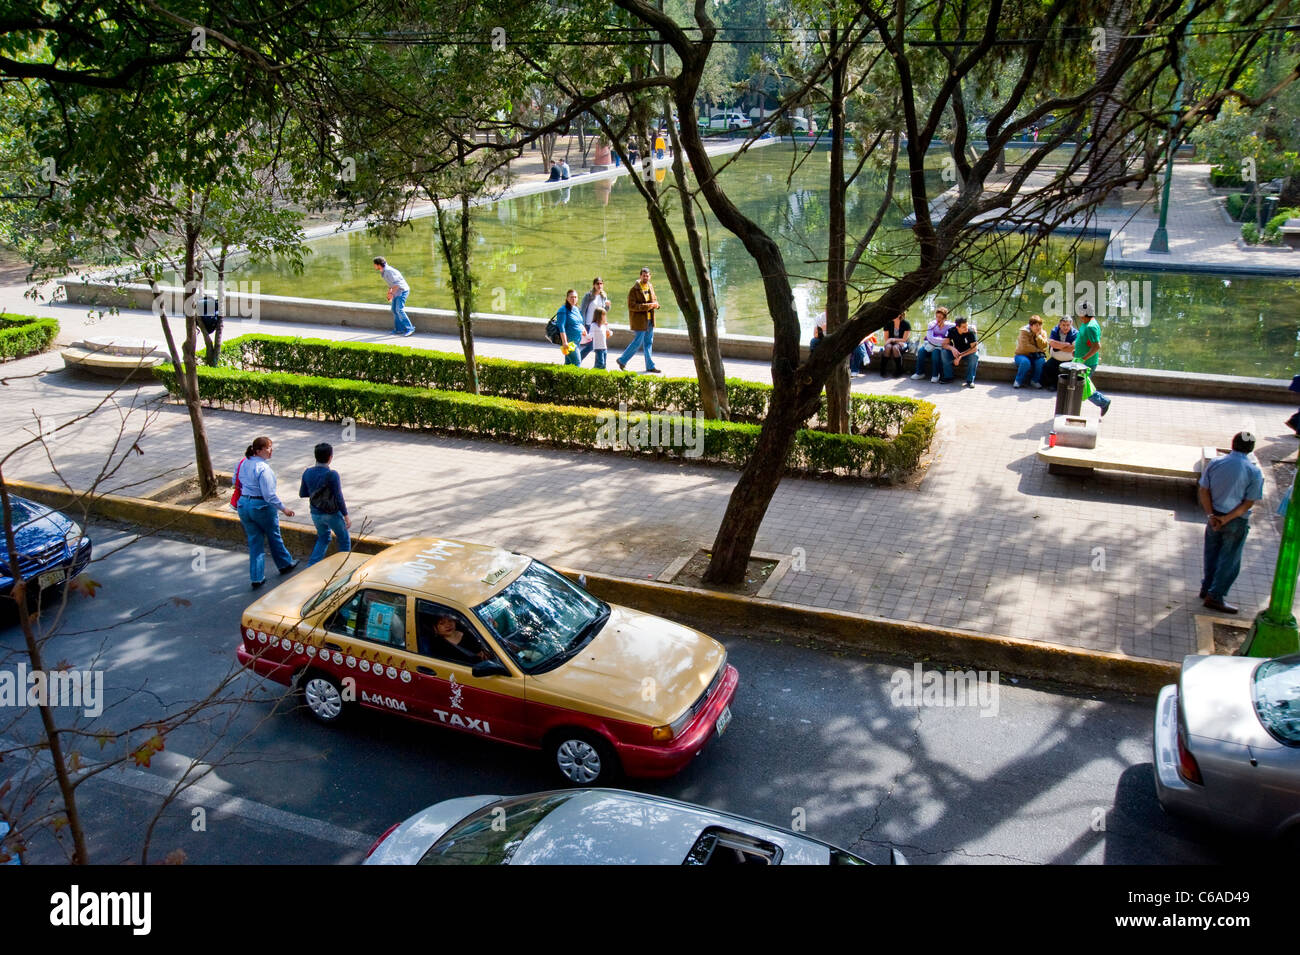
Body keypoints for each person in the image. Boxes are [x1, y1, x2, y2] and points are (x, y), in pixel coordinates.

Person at [1198, 432, 1264, 614]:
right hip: (1234, 521)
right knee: (1229, 560)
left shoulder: (1216, 463)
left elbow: (1204, 490)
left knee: (1211, 554)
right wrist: (1225, 519)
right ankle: (1216, 596)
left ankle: (1206, 588)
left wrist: (1212, 516)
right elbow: (1248, 503)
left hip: (1214, 517)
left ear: (1232, 444)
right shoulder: (1253, 471)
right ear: (1251, 449)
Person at [235, 436, 296, 589]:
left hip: (243, 505)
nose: (271, 450)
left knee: (254, 540)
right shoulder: (263, 468)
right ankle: (285, 563)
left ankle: (256, 577)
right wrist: (284, 508)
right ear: (258, 450)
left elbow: (235, 481)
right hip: (260, 506)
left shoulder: (243, 463)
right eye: (268, 448)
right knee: (274, 536)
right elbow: (269, 495)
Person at [299, 442, 351, 567]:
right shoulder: (332, 474)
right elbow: (338, 497)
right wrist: (346, 515)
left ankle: (311, 567)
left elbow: (302, 493)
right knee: (344, 539)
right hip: (332, 513)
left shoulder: (307, 472)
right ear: (330, 457)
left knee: (323, 538)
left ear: (315, 456)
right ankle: (342, 567)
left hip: (315, 513)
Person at [618, 267, 662, 373]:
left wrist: (656, 305)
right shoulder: (634, 289)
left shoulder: (650, 286)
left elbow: (654, 299)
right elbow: (631, 306)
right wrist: (648, 306)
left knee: (648, 343)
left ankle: (650, 366)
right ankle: (622, 360)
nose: (645, 277)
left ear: (650, 276)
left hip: (650, 320)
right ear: (640, 276)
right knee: (637, 342)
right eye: (644, 275)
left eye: (647, 276)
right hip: (639, 321)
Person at [1073, 302, 1112, 416]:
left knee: (1082, 388)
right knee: (1079, 386)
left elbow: (1097, 346)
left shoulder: (1091, 327)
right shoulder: (1087, 323)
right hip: (1080, 360)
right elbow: (1086, 342)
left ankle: (1103, 402)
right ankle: (1074, 409)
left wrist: (1083, 358)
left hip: (1087, 363)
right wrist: (1077, 351)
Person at [373, 257, 414, 337]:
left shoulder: (388, 271)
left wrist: (391, 294)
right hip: (396, 291)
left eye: (374, 264)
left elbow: (397, 285)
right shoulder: (384, 271)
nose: (374, 266)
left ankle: (410, 328)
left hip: (402, 291)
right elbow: (391, 284)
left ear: (378, 265)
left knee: (399, 309)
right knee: (394, 310)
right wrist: (389, 293)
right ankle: (399, 329)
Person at [911, 306, 951, 382]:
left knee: (935, 354)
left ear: (945, 318)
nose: (938, 319)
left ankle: (935, 375)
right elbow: (930, 338)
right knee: (921, 351)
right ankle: (920, 373)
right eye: (937, 317)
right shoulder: (931, 324)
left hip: (939, 347)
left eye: (940, 317)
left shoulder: (949, 325)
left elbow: (960, 325)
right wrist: (943, 340)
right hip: (929, 344)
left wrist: (973, 327)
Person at [578, 277, 611, 362]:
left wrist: (607, 306)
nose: (599, 285)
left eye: (601, 284)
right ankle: (577, 360)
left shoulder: (603, 295)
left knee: (599, 345)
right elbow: (582, 310)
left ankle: (598, 366)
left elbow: (604, 311)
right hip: (590, 323)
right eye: (597, 284)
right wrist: (583, 324)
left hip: (600, 324)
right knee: (591, 346)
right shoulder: (588, 296)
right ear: (594, 285)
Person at [1041, 316, 1077, 391]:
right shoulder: (1055, 331)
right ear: (1059, 325)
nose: (1065, 327)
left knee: (1065, 372)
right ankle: (1052, 385)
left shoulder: (1075, 333)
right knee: (1047, 367)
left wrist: (1058, 346)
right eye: (1063, 325)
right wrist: (1066, 344)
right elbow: (1052, 344)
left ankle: (1061, 387)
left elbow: (1072, 348)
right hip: (1055, 358)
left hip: (1069, 360)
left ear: (1071, 325)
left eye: (1067, 325)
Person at [1012, 315, 1049, 389]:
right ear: (1031, 326)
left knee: (1041, 361)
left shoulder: (1043, 333)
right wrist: (1037, 350)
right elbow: (1025, 346)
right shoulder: (1024, 332)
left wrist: (1038, 337)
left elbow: (1044, 346)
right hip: (1021, 355)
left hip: (1035, 356)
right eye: (1036, 325)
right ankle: (1018, 381)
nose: (1038, 327)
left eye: (1040, 325)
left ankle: (1035, 381)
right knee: (1025, 362)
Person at [941, 316, 979, 387]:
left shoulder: (971, 332)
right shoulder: (951, 331)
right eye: (964, 327)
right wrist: (952, 348)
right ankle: (948, 377)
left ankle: (970, 381)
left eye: (967, 325)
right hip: (956, 352)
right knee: (944, 352)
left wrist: (960, 356)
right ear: (957, 327)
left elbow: (974, 349)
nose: (966, 328)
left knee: (975, 356)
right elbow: (944, 344)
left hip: (968, 353)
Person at [554, 289, 585, 367]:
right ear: (567, 298)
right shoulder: (563, 310)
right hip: (569, 342)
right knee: (577, 362)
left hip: (577, 341)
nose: (573, 299)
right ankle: (578, 379)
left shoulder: (576, 309)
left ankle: (562, 379)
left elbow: (579, 322)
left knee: (568, 364)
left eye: (575, 297)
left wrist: (583, 329)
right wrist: (564, 342)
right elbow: (561, 326)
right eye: (571, 297)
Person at [878, 312, 911, 377]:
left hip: (902, 343)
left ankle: (899, 370)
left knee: (895, 348)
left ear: (899, 315)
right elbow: (886, 339)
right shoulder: (888, 323)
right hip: (891, 342)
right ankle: (883, 370)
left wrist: (893, 339)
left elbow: (904, 339)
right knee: (888, 347)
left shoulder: (906, 324)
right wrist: (891, 340)